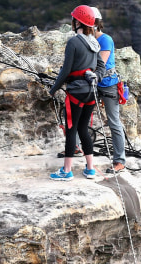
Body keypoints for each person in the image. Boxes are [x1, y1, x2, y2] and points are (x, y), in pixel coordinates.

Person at [48, 5, 105, 181]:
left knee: (71, 129)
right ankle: (90, 169)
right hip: (91, 92)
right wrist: (95, 76)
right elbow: (101, 66)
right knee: (83, 129)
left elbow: (65, 71)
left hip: (76, 92)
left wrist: (53, 89)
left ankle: (66, 171)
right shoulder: (94, 42)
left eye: (73, 19)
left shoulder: (74, 42)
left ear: (77, 21)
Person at [91, 7, 126, 173]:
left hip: (108, 84)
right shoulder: (87, 39)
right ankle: (76, 147)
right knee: (79, 115)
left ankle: (119, 161)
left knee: (113, 122)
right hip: (94, 83)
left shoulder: (105, 40)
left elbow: (101, 64)